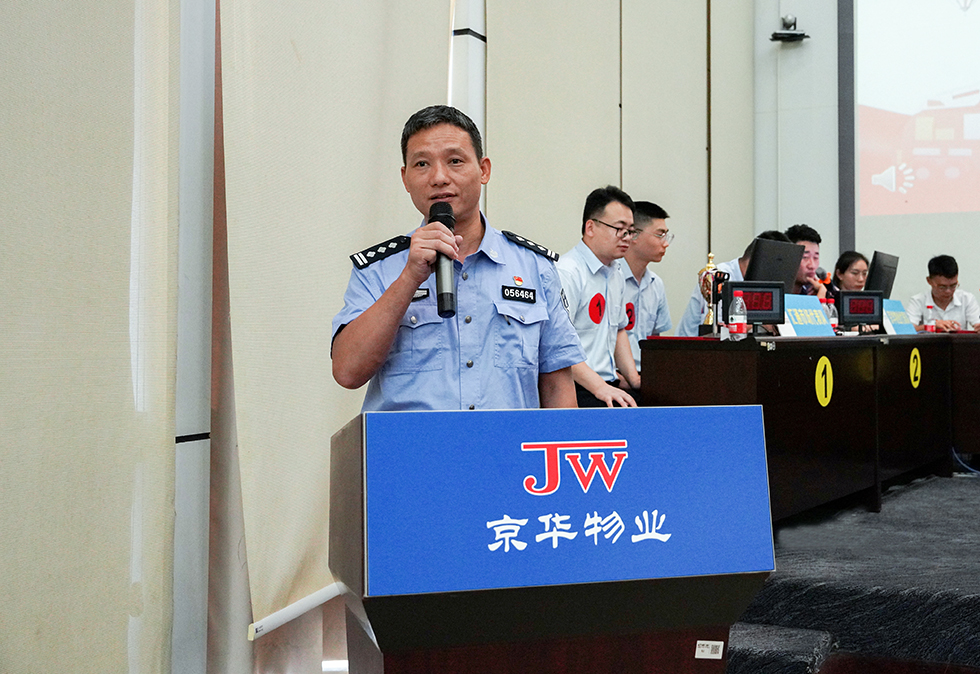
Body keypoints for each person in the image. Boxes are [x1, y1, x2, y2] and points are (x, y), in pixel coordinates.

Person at [331, 105, 585, 411]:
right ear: (405, 178)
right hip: (414, 443)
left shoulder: (534, 267)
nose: (439, 177)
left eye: (455, 161)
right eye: (422, 164)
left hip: (505, 442)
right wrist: (409, 278)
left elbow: (557, 387)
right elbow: (347, 372)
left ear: (484, 170)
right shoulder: (378, 270)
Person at [556, 186, 641, 408]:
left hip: (608, 385)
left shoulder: (616, 272)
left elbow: (619, 329)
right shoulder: (568, 272)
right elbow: (557, 344)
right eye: (619, 229)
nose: (627, 238)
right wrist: (600, 387)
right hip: (576, 389)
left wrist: (635, 380)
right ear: (591, 227)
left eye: (631, 231)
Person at [675, 230, 791, 337]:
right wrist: (761, 323)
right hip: (694, 347)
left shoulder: (767, 286)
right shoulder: (720, 277)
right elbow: (721, 329)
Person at [618, 201, 672, 374]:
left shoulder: (656, 284)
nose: (665, 243)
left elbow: (655, 339)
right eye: (660, 235)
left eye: (666, 236)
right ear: (633, 235)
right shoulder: (611, 279)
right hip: (613, 374)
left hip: (646, 373)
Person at [906, 255, 980, 333]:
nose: (948, 291)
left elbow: (977, 323)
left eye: (953, 286)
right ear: (929, 281)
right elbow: (906, 331)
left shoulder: (967, 299)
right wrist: (931, 326)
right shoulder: (918, 301)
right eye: (942, 287)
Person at [784, 224, 827, 298]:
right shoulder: (775, 296)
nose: (812, 266)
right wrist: (819, 303)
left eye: (815, 258)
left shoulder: (815, 293)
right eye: (805, 257)